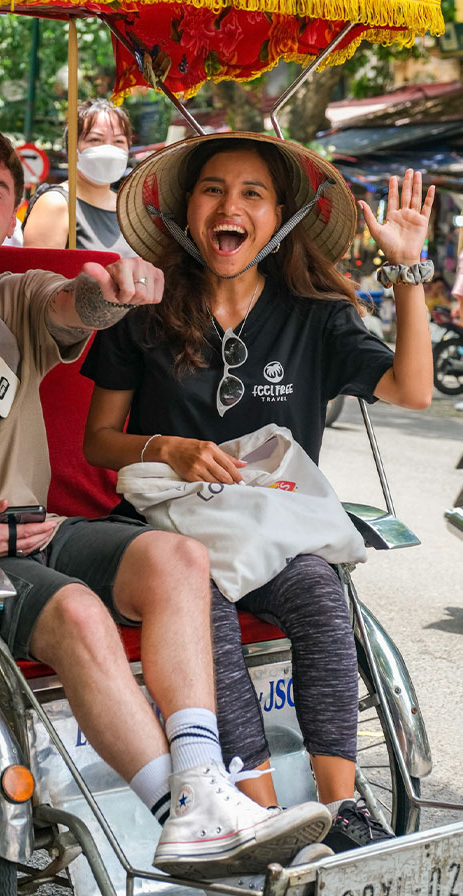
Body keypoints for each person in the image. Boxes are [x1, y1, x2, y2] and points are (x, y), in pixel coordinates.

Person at [0, 121, 330, 877]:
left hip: (34, 533)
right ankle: (179, 811)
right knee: (75, 607)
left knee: (177, 556)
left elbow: (76, 306)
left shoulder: (14, 298)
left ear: (13, 215)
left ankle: (204, 789)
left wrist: (110, 292)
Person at [81, 131, 435, 854]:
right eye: (212, 189)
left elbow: (413, 390)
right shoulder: (144, 311)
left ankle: (342, 812)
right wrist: (167, 449)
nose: (228, 207)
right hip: (167, 533)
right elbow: (98, 441)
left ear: (279, 219)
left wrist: (407, 271)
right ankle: (260, 812)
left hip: (270, 532)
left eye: (251, 194)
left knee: (319, 591)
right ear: (187, 213)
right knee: (198, 602)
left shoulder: (314, 316)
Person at [22, 98, 136, 255]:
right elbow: (37, 275)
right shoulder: (56, 203)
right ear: (72, 149)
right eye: (95, 139)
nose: (109, 149)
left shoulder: (130, 208)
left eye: (118, 141)